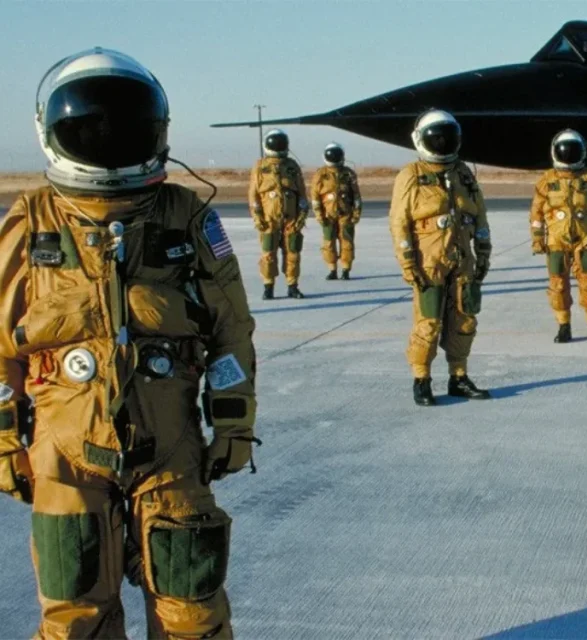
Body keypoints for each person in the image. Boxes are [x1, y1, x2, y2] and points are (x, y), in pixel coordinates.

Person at [0, 47, 257, 638]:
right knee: (74, 618)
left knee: (192, 612)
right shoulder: (34, 219)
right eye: (92, 128)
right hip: (65, 455)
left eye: (123, 125)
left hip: (170, 451)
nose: (109, 137)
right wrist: (6, 437)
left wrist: (235, 423)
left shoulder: (184, 215)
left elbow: (230, 332)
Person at [389, 109, 492, 406]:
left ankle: (458, 377)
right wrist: (408, 262)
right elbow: (399, 222)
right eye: (437, 138)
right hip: (428, 262)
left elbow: (479, 215)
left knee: (464, 318)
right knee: (428, 322)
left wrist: (483, 251)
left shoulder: (463, 173)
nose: (443, 142)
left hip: (463, 259)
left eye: (448, 137)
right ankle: (421, 380)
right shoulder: (411, 175)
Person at [529, 129, 587, 345]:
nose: (568, 155)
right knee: (558, 286)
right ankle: (563, 326)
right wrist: (538, 239)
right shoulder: (547, 180)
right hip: (557, 241)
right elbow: (536, 213)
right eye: (565, 151)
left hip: (584, 241)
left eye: (572, 151)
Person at [248, 128, 309, 299]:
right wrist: (257, 216)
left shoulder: (292, 166)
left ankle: (292, 285)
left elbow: (302, 193)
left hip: (291, 219)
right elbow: (254, 195)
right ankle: (268, 286)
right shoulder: (260, 166)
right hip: (269, 219)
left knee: (293, 253)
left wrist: (302, 215)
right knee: (268, 253)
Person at [311, 142, 362, 280]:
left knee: (347, 241)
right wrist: (319, 215)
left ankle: (345, 269)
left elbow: (356, 196)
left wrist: (356, 214)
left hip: (346, 214)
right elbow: (315, 197)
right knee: (329, 242)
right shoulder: (321, 174)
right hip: (328, 215)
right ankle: (332, 269)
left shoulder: (348, 173)